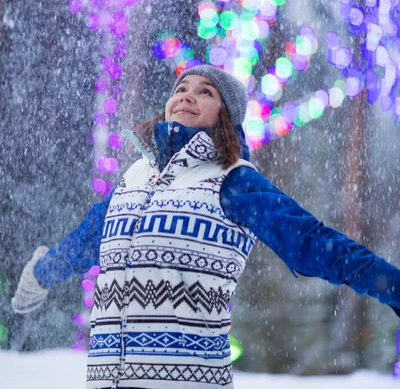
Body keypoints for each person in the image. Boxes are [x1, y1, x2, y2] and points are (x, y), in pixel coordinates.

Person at [11, 64, 400, 389]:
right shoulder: (133, 179)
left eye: (205, 92)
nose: (186, 95)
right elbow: (85, 241)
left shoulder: (233, 181)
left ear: (224, 117)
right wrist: (40, 273)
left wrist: (393, 285)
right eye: (181, 88)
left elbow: (313, 242)